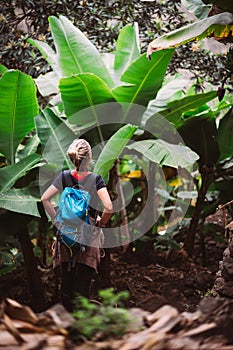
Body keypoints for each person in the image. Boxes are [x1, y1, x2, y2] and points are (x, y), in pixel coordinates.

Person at [41, 138, 113, 311]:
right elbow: (109, 207)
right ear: (89, 158)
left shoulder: (64, 177)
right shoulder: (96, 179)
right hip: (88, 237)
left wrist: (57, 220)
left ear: (73, 158)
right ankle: (80, 324)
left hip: (66, 236)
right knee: (83, 284)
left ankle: (65, 322)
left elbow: (44, 199)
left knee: (67, 282)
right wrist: (99, 224)